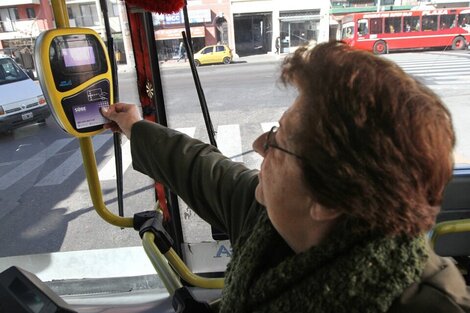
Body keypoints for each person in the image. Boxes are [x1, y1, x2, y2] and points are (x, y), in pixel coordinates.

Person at [101, 41, 470, 312]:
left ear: (327, 198)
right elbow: (203, 169)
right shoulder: (271, 218)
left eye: (279, 139)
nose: (260, 143)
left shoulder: (429, 305)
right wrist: (134, 126)